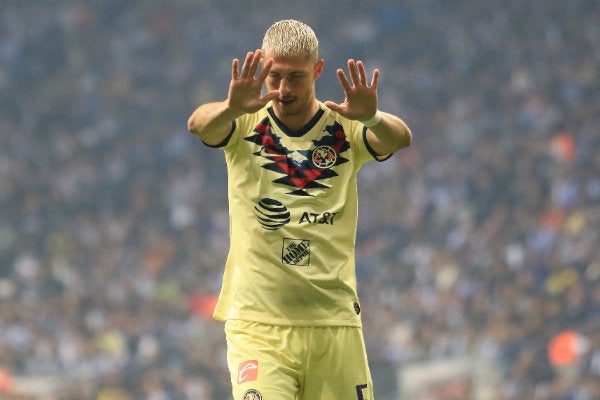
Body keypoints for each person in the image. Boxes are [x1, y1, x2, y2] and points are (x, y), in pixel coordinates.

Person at [187, 19, 411, 400]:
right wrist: (229, 106)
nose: (284, 88)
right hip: (259, 324)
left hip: (333, 322)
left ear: (317, 70)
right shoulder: (242, 121)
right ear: (262, 70)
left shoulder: (345, 124)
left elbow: (399, 138)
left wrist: (371, 116)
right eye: (274, 76)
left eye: (296, 76)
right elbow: (199, 125)